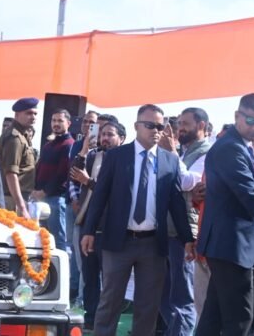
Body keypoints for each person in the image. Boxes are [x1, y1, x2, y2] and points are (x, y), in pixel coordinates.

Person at [80, 104, 195, 336]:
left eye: (161, 126)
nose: (156, 131)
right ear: (136, 126)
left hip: (153, 245)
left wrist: (187, 239)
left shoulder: (170, 161)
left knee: (147, 307)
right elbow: (100, 195)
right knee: (110, 302)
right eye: (150, 125)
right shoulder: (116, 157)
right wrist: (89, 230)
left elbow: (176, 203)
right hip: (118, 241)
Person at [195, 93, 254, 336]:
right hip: (232, 246)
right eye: (251, 121)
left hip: (229, 245)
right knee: (240, 318)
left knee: (214, 315)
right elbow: (249, 195)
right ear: (237, 117)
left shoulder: (239, 146)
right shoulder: (231, 148)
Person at [158, 108, 211, 336]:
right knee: (163, 294)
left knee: (182, 296)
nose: (180, 127)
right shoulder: (184, 151)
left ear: (201, 126)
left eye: (185, 123)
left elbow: (190, 182)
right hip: (166, 229)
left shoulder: (209, 152)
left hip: (185, 234)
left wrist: (170, 154)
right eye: (178, 122)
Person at [70, 121, 126, 330]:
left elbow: (115, 192)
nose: (105, 139)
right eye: (102, 134)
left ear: (122, 138)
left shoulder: (125, 161)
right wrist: (84, 149)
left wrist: (89, 182)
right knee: (90, 276)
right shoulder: (94, 156)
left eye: (110, 134)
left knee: (110, 279)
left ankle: (107, 320)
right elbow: (73, 173)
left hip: (111, 227)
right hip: (88, 226)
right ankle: (92, 318)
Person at [31, 109, 74, 250]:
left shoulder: (69, 144)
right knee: (41, 240)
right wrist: (35, 191)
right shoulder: (49, 145)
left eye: (60, 121)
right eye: (54, 120)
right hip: (40, 199)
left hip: (56, 199)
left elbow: (62, 174)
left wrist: (44, 191)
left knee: (59, 241)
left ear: (68, 123)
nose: (56, 124)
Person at [0, 98, 38, 218]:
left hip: (19, 196)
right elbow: (11, 174)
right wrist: (22, 206)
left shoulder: (23, 135)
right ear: (17, 114)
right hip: (13, 199)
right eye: (29, 113)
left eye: (35, 113)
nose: (33, 117)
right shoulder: (14, 138)